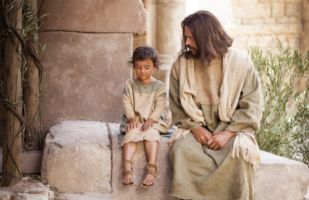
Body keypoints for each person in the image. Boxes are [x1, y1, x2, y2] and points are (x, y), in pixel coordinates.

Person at [168, 10, 264, 200]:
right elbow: (176, 104)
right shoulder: (181, 65)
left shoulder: (241, 63)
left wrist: (228, 133)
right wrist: (195, 128)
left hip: (231, 129)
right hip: (196, 129)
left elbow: (252, 105)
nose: (186, 43)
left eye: (191, 38)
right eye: (185, 38)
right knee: (181, 150)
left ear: (206, 37)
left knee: (239, 156)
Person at [120, 46, 172, 187]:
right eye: (138, 67)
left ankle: (151, 168)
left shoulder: (159, 86)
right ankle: (126, 167)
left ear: (155, 67)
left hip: (153, 120)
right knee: (131, 133)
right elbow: (127, 102)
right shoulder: (129, 84)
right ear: (133, 67)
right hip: (135, 119)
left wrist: (152, 119)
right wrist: (131, 117)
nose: (142, 71)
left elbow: (160, 105)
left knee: (152, 134)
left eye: (147, 67)